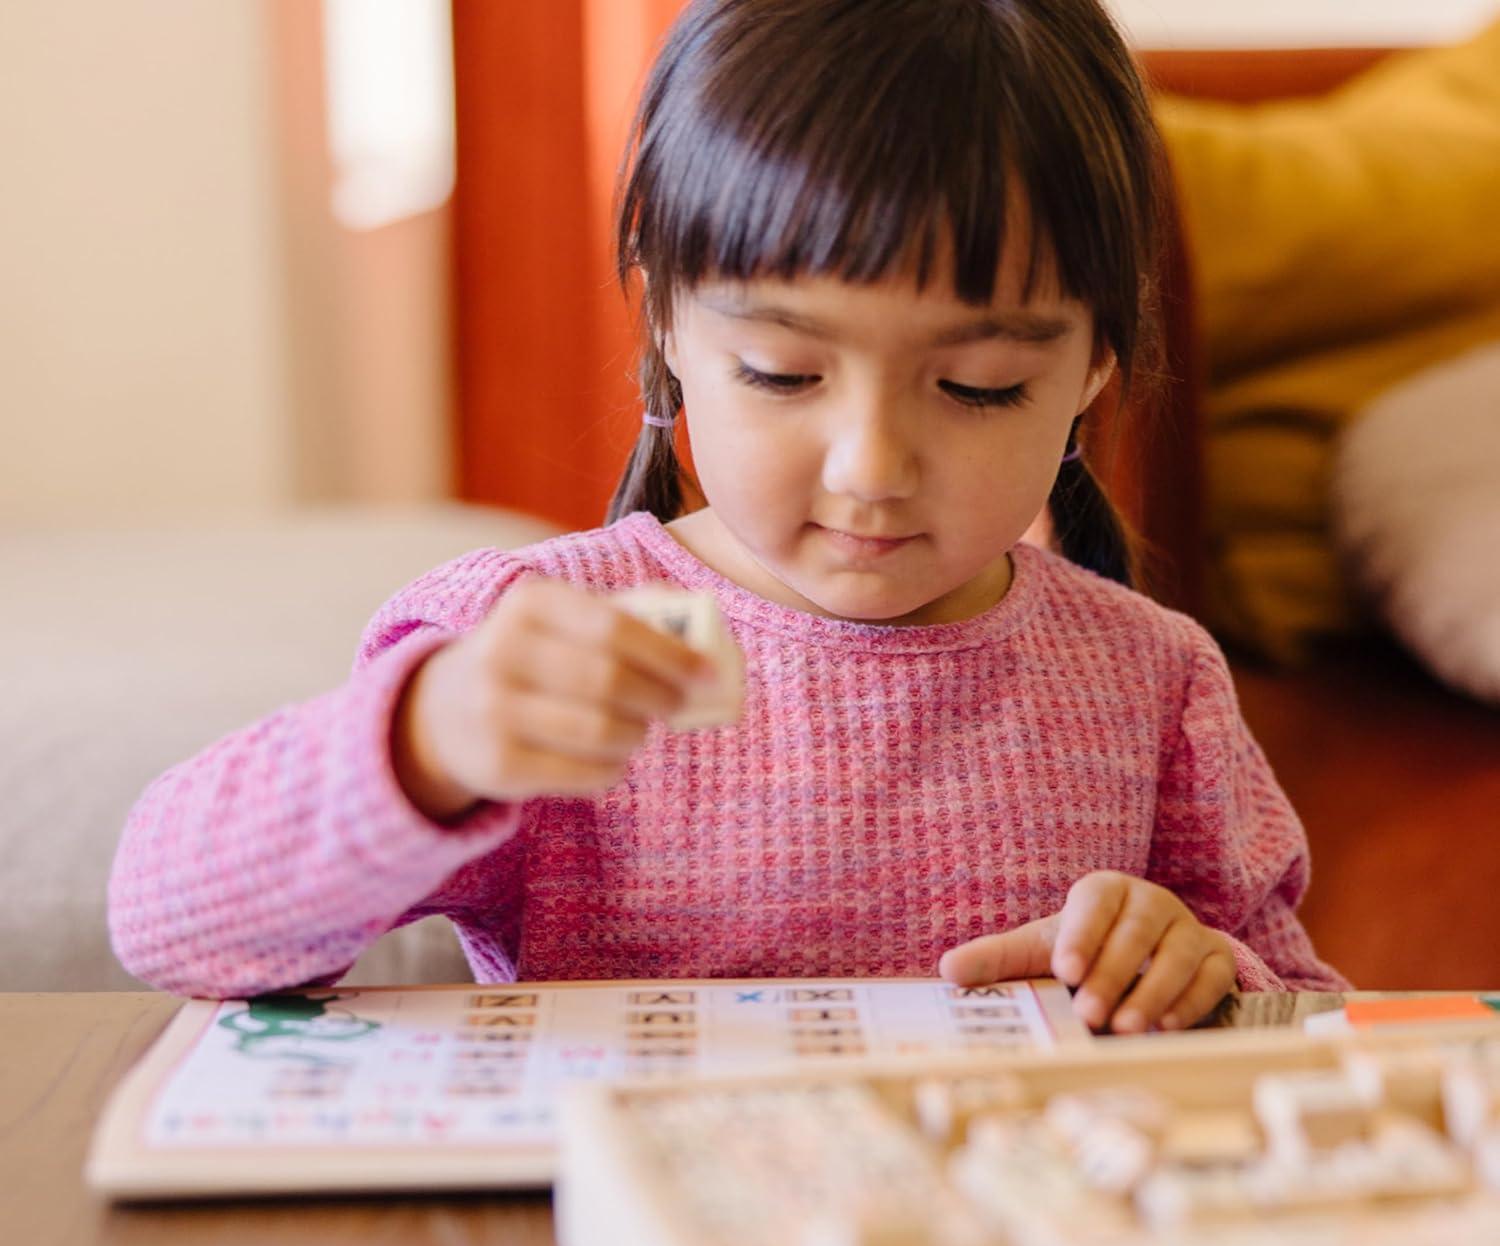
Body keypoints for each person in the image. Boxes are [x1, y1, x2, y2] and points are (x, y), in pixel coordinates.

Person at [109, 0, 1348, 1029]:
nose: (871, 466)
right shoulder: (529, 640)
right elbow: (167, 918)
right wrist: (422, 747)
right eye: (783, 372)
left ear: (1090, 374)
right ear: (665, 328)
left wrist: (1202, 973)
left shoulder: (1150, 682)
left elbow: (1308, 1016)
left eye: (978, 387)